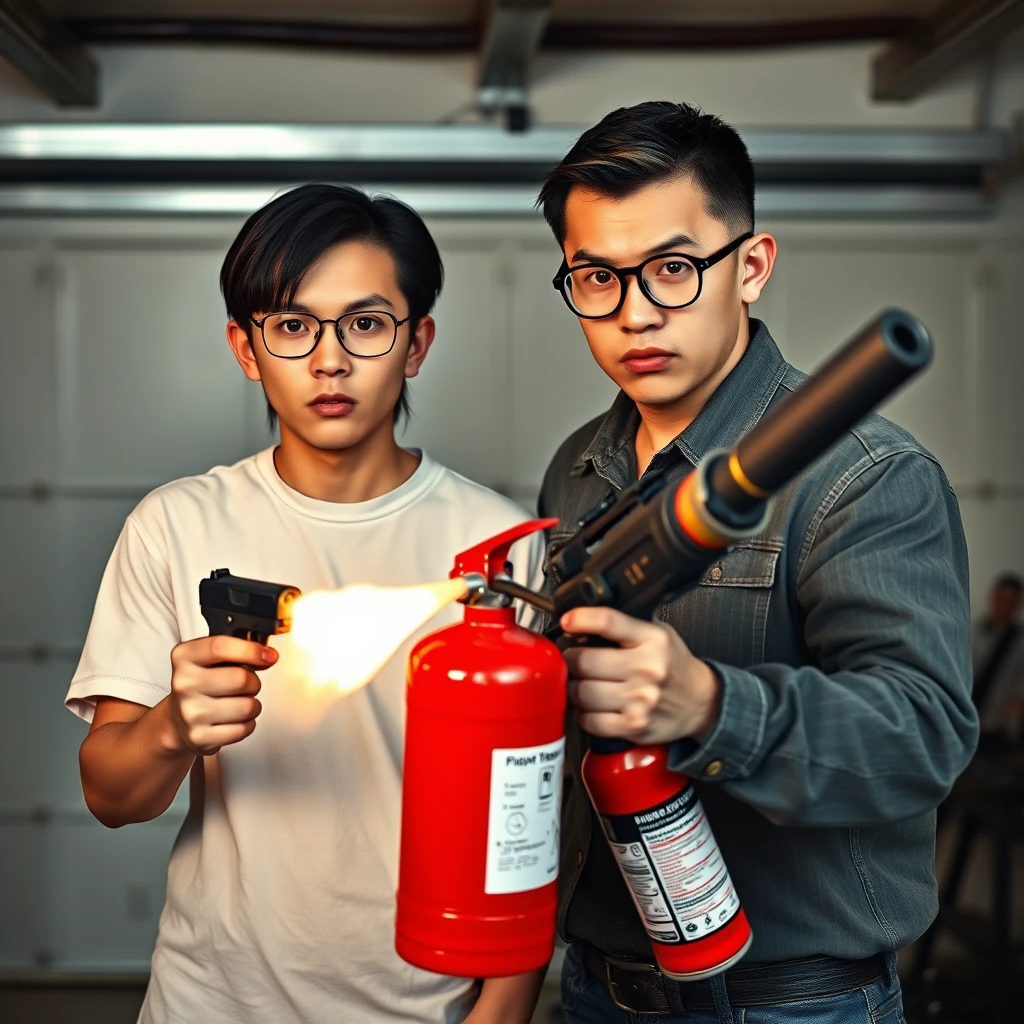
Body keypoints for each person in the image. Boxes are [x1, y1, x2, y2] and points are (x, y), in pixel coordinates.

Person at [535, 102, 977, 1023]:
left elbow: (924, 736)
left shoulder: (865, 475)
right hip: (594, 989)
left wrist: (708, 706)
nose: (635, 312)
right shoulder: (579, 466)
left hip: (791, 1005)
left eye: (672, 268)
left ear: (752, 266)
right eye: (596, 278)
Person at [68, 184, 545, 1024]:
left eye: (366, 323)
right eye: (292, 326)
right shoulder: (175, 524)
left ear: (417, 342)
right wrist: (173, 727)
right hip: (209, 1001)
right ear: (247, 348)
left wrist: (501, 1011)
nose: (330, 361)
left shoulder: (501, 543)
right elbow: (112, 797)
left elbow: (538, 808)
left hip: (427, 1003)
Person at [971, 572, 1024, 744]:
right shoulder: (973, 631)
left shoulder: (1019, 642)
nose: (1003, 605)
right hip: (962, 720)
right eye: (1001, 598)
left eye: (1010, 600)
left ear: (1017, 604)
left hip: (995, 728)